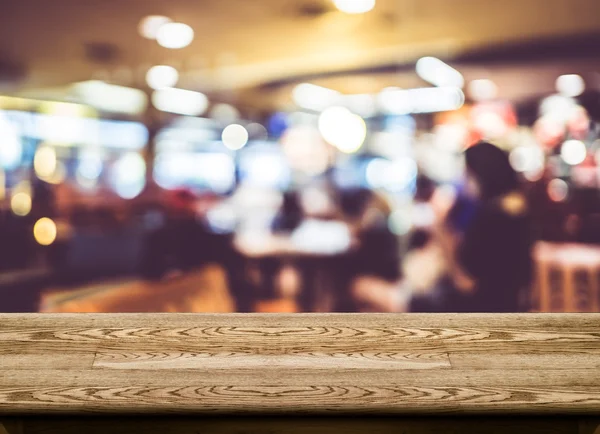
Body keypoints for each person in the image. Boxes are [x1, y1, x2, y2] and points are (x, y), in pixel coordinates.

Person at [354, 142, 534, 313]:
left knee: (361, 288)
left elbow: (465, 283)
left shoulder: (491, 218)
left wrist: (441, 232)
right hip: (502, 307)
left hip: (470, 311)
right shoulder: (519, 212)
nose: (464, 181)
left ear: (481, 174)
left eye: (467, 174)